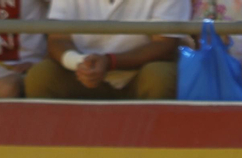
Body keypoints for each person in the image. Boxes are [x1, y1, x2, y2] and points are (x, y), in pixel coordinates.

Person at [23, 0, 187, 100]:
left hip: (138, 76)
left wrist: (110, 62)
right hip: (81, 75)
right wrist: (80, 63)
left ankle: (154, 145)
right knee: (41, 76)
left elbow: (165, 44)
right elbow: (58, 39)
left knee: (160, 76)